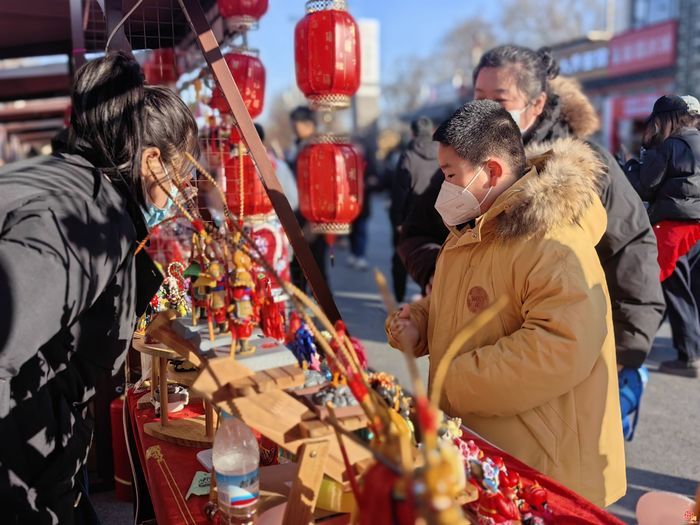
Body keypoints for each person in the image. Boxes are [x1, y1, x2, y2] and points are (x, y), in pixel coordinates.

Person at [398, 46, 665, 429]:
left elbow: (632, 251)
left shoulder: (584, 166)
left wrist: (626, 349)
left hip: (570, 357)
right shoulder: (462, 162)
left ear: (536, 103)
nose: (486, 110)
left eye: (499, 99)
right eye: (478, 97)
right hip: (485, 371)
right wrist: (438, 280)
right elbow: (417, 232)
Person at [387, 100, 626, 507]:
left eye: (450, 175)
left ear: (492, 171)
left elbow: (561, 345)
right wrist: (422, 323)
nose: (444, 189)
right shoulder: (475, 227)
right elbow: (459, 301)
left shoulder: (553, 242)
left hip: (544, 466)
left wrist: (452, 379)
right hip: (492, 448)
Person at [0, 52, 198, 523]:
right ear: (152, 161)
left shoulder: (78, 189)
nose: (187, 189)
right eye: (184, 173)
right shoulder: (84, 218)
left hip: (46, 451)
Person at [625, 95, 700, 378]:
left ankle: (683, 355)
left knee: (654, 285)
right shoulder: (696, 140)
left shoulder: (671, 145)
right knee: (677, 287)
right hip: (694, 225)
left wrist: (630, 166)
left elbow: (646, 186)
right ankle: (682, 351)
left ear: (665, 119)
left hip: (675, 225)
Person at [389, 116, 439, 302]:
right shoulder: (442, 153)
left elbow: (399, 192)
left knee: (401, 257)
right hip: (438, 215)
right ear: (432, 131)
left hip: (411, 217)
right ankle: (428, 296)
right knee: (433, 256)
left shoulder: (408, 157)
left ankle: (399, 299)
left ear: (412, 133)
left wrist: (397, 220)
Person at [285, 106, 328, 290]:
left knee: (316, 272)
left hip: (314, 217)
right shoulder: (299, 146)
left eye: (298, 124)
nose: (294, 127)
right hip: (298, 213)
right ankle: (301, 313)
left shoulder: (318, 149)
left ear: (309, 124)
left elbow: (324, 188)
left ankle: (329, 316)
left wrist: (315, 224)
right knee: (298, 269)